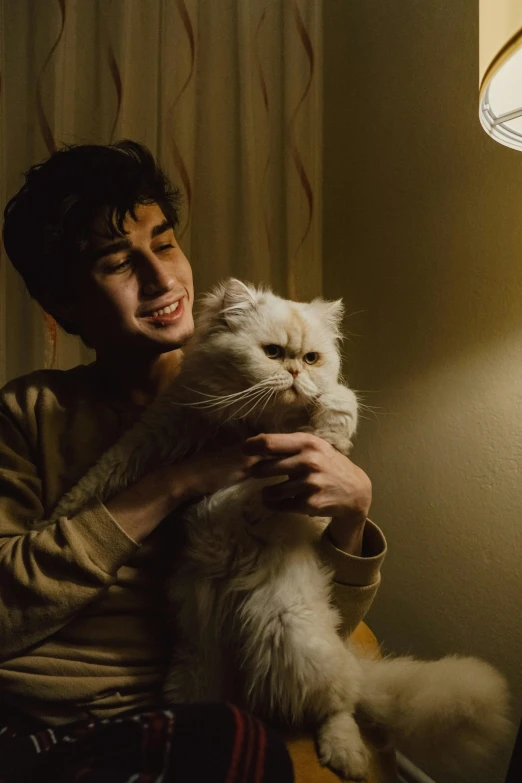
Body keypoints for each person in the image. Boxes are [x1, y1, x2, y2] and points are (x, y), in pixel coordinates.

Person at [0, 140, 387, 782]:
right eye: (118, 261)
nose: (162, 279)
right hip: (45, 719)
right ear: (63, 305)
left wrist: (352, 515)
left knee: (236, 743)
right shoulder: (27, 413)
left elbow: (306, 621)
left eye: (166, 243)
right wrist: (175, 481)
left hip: (189, 711)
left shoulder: (270, 399)